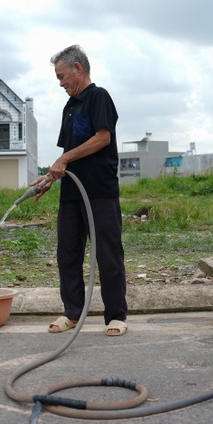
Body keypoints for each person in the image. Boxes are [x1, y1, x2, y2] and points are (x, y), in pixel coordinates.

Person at [32, 44, 128, 336]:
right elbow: (69, 152)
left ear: (78, 69)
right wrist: (50, 177)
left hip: (99, 191)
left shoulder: (99, 97)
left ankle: (116, 316)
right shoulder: (70, 107)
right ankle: (72, 312)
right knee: (68, 254)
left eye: (62, 76)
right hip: (72, 193)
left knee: (107, 254)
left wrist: (64, 159)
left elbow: (102, 138)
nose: (60, 83)